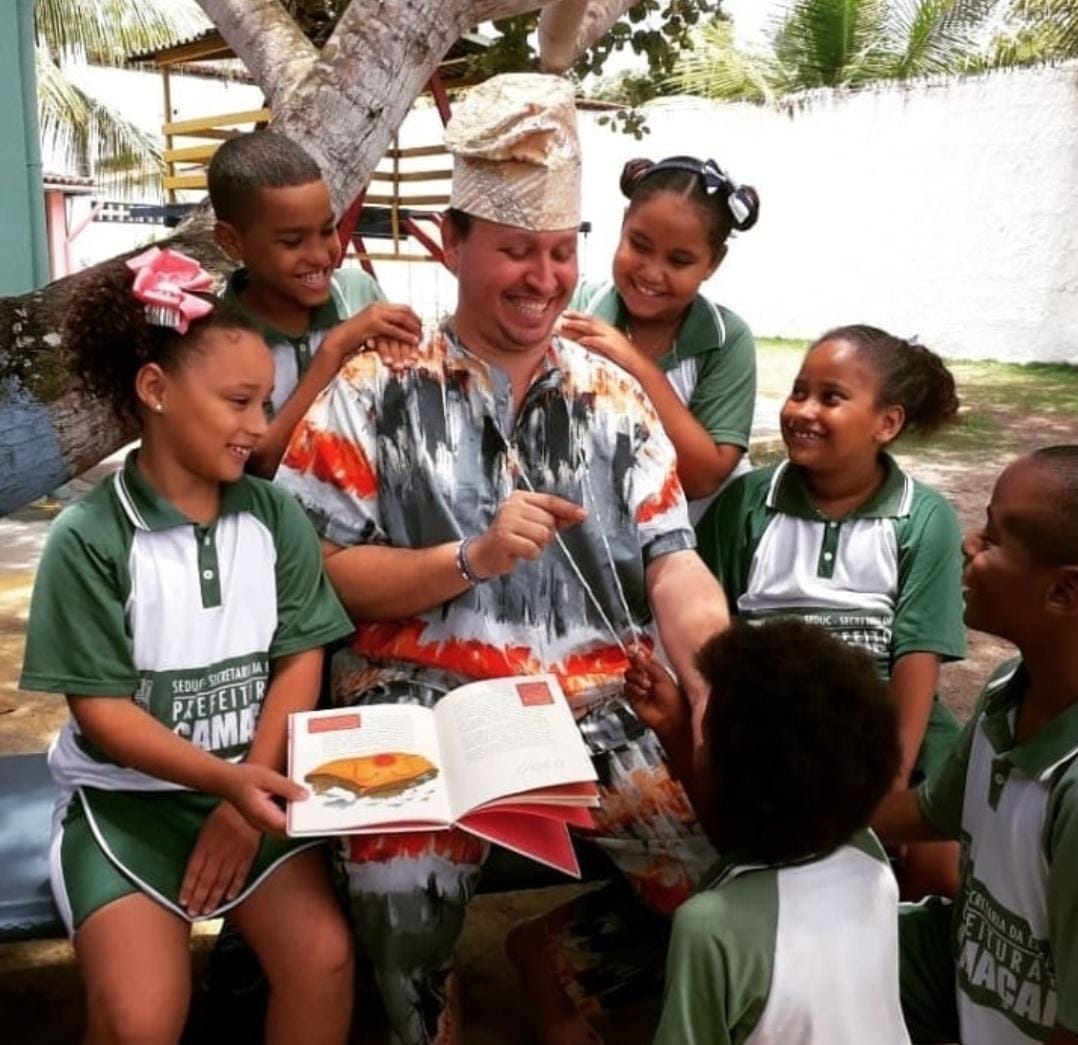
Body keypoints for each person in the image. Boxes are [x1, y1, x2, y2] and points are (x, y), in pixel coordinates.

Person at [276, 73, 729, 1045]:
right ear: (456, 241)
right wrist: (466, 557)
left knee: (721, 886)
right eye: (516, 251)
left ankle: (556, 955)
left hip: (598, 710)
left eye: (561, 253)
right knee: (399, 923)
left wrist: (717, 677)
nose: (544, 278)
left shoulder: (609, 390)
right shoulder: (374, 385)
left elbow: (672, 561)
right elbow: (317, 568)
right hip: (410, 713)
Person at [19, 247, 356, 1044]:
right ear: (155, 390)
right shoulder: (90, 538)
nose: (261, 426)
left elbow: (299, 656)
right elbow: (102, 714)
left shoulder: (274, 519)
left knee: (326, 959)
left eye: (267, 401)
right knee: (139, 1017)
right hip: (124, 809)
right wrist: (227, 783)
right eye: (239, 400)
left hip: (251, 787)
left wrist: (247, 798)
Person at [696, 324, 966, 899]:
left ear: (886, 424)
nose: (803, 411)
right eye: (799, 391)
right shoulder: (747, 504)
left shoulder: (924, 517)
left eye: (831, 397)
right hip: (778, 734)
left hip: (893, 734)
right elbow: (711, 632)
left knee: (939, 871)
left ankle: (902, 977)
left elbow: (918, 659)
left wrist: (890, 786)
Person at [875, 447, 1078, 1045]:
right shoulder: (1006, 693)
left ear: (1063, 593)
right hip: (966, 992)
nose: (969, 543)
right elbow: (930, 811)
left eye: (991, 538)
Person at [625, 619, 908, 1045]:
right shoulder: (868, 857)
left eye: (709, 725)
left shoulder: (708, 926)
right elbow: (765, 848)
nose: (701, 736)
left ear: (739, 772)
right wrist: (676, 728)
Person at [208, 129, 422, 476]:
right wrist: (333, 351)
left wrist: (401, 340)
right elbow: (261, 462)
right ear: (232, 241)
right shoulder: (216, 339)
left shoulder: (358, 293)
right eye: (293, 242)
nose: (322, 255)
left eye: (327, 230)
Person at [561, 155, 760, 521]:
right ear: (622, 226)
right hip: (603, 541)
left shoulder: (727, 341)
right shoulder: (577, 309)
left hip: (701, 549)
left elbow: (702, 477)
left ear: (713, 262)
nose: (652, 272)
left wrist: (636, 365)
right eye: (639, 245)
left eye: (679, 261)